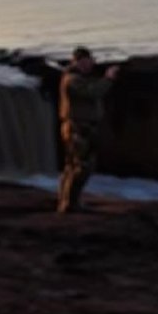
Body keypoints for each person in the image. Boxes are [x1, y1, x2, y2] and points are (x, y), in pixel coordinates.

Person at [57, 46, 120, 213]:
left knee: (73, 166)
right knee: (81, 166)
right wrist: (109, 78)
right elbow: (92, 92)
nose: (88, 65)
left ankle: (67, 202)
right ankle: (70, 204)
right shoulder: (72, 79)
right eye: (83, 62)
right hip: (78, 128)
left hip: (82, 127)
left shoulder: (78, 77)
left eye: (89, 61)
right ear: (76, 62)